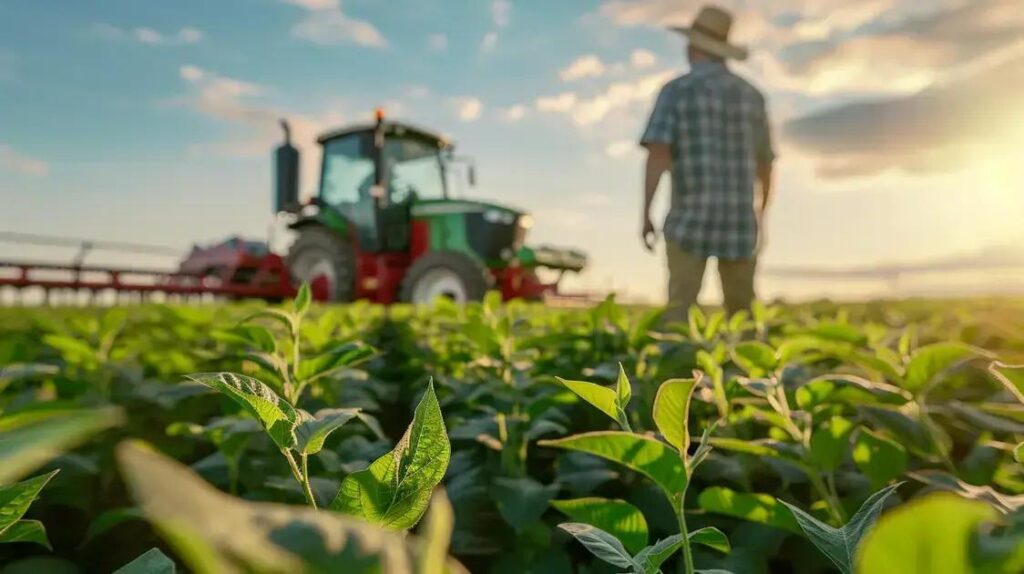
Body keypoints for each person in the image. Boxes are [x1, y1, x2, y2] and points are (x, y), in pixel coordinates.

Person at [639, 5, 775, 323]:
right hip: (739, 220)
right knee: (743, 316)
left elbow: (657, 153)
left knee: (678, 314)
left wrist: (646, 213)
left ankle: (677, 370)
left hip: (689, 218)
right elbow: (766, 164)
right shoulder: (752, 96)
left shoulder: (676, 91)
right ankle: (750, 373)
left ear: (693, 46)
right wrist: (761, 215)